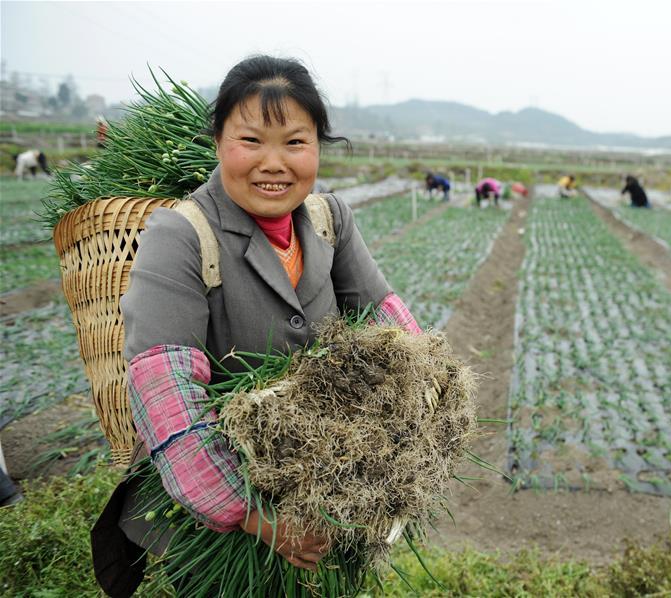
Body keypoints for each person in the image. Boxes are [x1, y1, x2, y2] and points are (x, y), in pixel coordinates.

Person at [92, 55, 424, 594]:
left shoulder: (328, 219)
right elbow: (167, 394)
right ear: (218, 141)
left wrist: (426, 399)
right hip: (221, 508)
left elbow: (389, 320)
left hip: (321, 489)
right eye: (251, 140)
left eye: (295, 142)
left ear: (318, 145)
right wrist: (256, 518)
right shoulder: (180, 234)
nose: (274, 163)